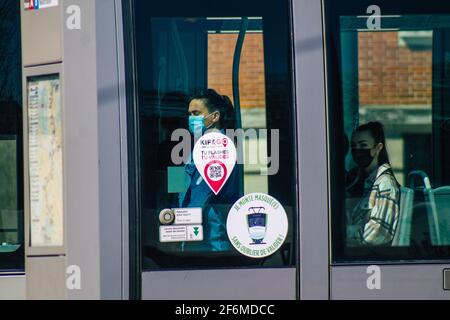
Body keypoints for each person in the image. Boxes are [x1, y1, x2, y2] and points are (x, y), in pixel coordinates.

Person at [178, 88, 240, 252]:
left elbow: (201, 194)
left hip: (208, 239)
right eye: (190, 114)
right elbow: (179, 186)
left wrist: (180, 224)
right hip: (197, 235)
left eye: (196, 113)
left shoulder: (218, 146)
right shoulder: (197, 147)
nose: (191, 118)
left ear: (215, 116)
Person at [345, 122, 400, 246]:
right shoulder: (360, 180)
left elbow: (377, 233)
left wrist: (343, 233)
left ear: (378, 148)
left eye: (363, 145)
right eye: (354, 146)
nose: (357, 150)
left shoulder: (384, 183)